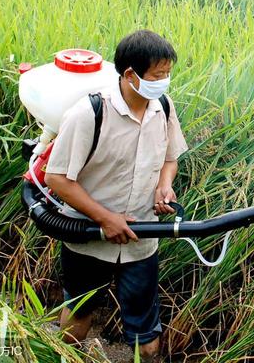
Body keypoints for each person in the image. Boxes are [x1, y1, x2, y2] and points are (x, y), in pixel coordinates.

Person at [44, 29, 189, 363]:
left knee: (147, 337)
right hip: (88, 238)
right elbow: (57, 178)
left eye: (167, 74)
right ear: (129, 74)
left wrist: (163, 186)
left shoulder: (163, 107)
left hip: (141, 240)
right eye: (157, 75)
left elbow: (170, 159)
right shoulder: (90, 113)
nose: (164, 82)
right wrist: (105, 218)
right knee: (78, 317)